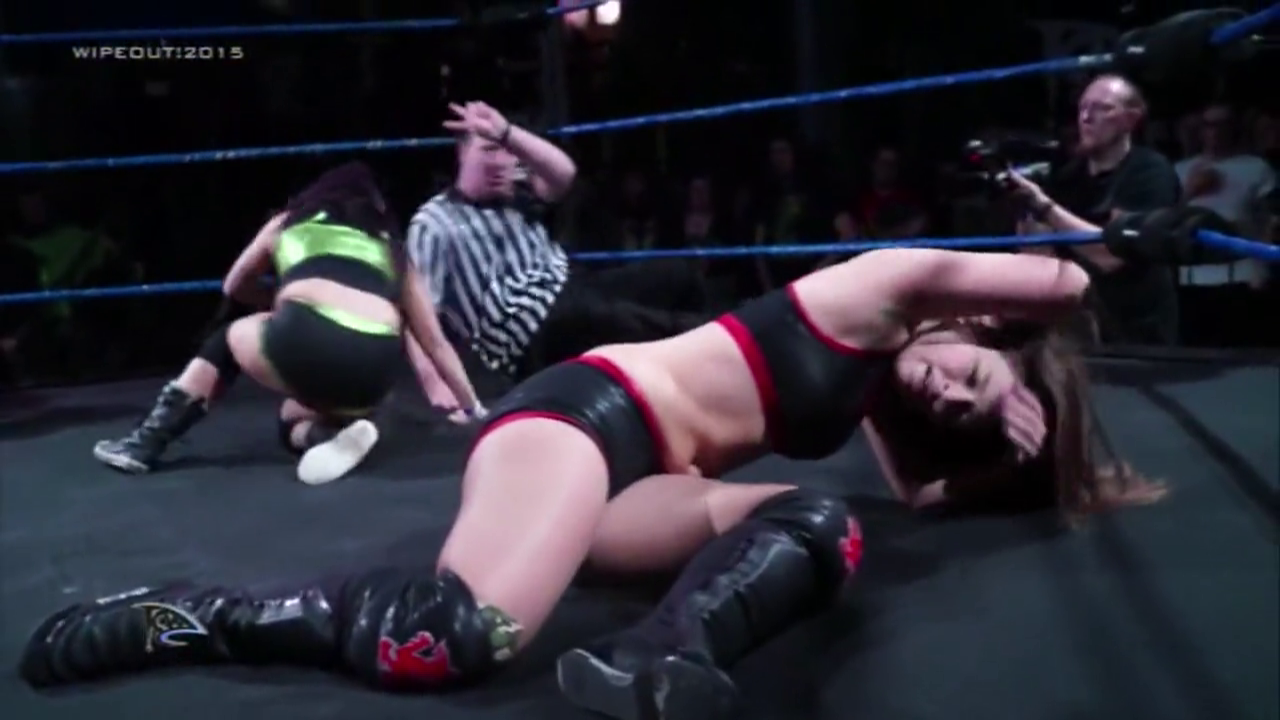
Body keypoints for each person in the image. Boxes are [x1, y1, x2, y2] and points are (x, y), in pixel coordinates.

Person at [23, 210, 1196, 715]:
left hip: (648, 487)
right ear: (980, 325)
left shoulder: (884, 376)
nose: (946, 394)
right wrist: (1118, 256)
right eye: (971, 376)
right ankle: (190, 615)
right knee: (454, 638)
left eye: (960, 406)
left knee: (815, 525)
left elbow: (907, 494)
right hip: (587, 417)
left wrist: (993, 450)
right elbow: (1070, 281)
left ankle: (657, 658)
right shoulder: (886, 286)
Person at [91, 161, 482, 485]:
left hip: (305, 338)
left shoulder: (289, 223)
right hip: (374, 370)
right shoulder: (392, 250)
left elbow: (234, 285)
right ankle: (322, 435)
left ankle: (146, 443)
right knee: (291, 416)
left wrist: (283, 302)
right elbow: (435, 342)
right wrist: (474, 409)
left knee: (228, 339)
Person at [406, 101, 706, 418]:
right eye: (488, 150)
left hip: (575, 287)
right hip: (533, 330)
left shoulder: (518, 190)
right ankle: (723, 355)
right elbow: (418, 316)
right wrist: (434, 383)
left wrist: (507, 133)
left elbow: (565, 173)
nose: (501, 162)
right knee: (645, 324)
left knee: (676, 274)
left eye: (507, 152)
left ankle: (699, 385)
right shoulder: (433, 222)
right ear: (462, 152)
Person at [1013, 74, 1183, 346]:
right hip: (1076, 327)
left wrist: (1044, 206)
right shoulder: (1068, 177)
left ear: (1131, 119)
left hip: (1136, 331)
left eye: (1102, 108)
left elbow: (1113, 256)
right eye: (1082, 108)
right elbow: (1038, 258)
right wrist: (1024, 205)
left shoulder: (1149, 171)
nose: (1086, 118)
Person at [1173, 103, 1276, 346]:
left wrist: (1263, 267)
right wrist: (1190, 191)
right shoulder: (1181, 169)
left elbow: (1269, 221)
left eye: (1222, 124)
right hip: (1193, 279)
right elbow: (1165, 220)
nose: (1215, 131)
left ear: (1234, 128)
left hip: (1242, 275)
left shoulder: (1256, 168)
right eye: (1209, 125)